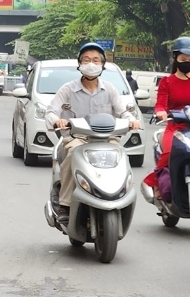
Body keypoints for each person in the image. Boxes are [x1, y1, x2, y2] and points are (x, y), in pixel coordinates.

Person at [45, 42, 142, 226]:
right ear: (79, 64)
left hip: (107, 139)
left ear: (103, 64)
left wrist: (131, 120)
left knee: (121, 157)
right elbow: (51, 111)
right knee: (72, 154)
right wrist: (57, 121)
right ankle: (65, 205)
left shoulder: (110, 89)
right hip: (77, 139)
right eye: (87, 60)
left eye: (96, 60)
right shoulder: (68, 89)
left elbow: (122, 112)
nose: (91, 63)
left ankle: (120, 194)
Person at [142, 36, 190, 201]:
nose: (187, 62)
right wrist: (161, 112)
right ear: (175, 58)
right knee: (170, 152)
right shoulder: (167, 82)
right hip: (175, 127)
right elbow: (160, 104)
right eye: (183, 59)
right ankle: (156, 183)